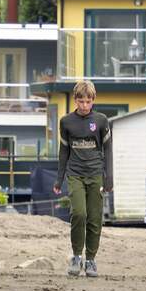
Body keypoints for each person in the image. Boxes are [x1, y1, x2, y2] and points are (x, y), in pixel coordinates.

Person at [52, 80, 113, 277]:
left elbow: (108, 150)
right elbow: (63, 152)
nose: (84, 105)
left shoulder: (102, 121)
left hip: (96, 174)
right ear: (75, 101)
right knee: (79, 214)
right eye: (81, 101)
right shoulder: (66, 122)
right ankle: (76, 257)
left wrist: (109, 177)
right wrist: (58, 180)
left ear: (93, 100)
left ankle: (91, 260)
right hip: (75, 174)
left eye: (88, 102)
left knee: (95, 218)